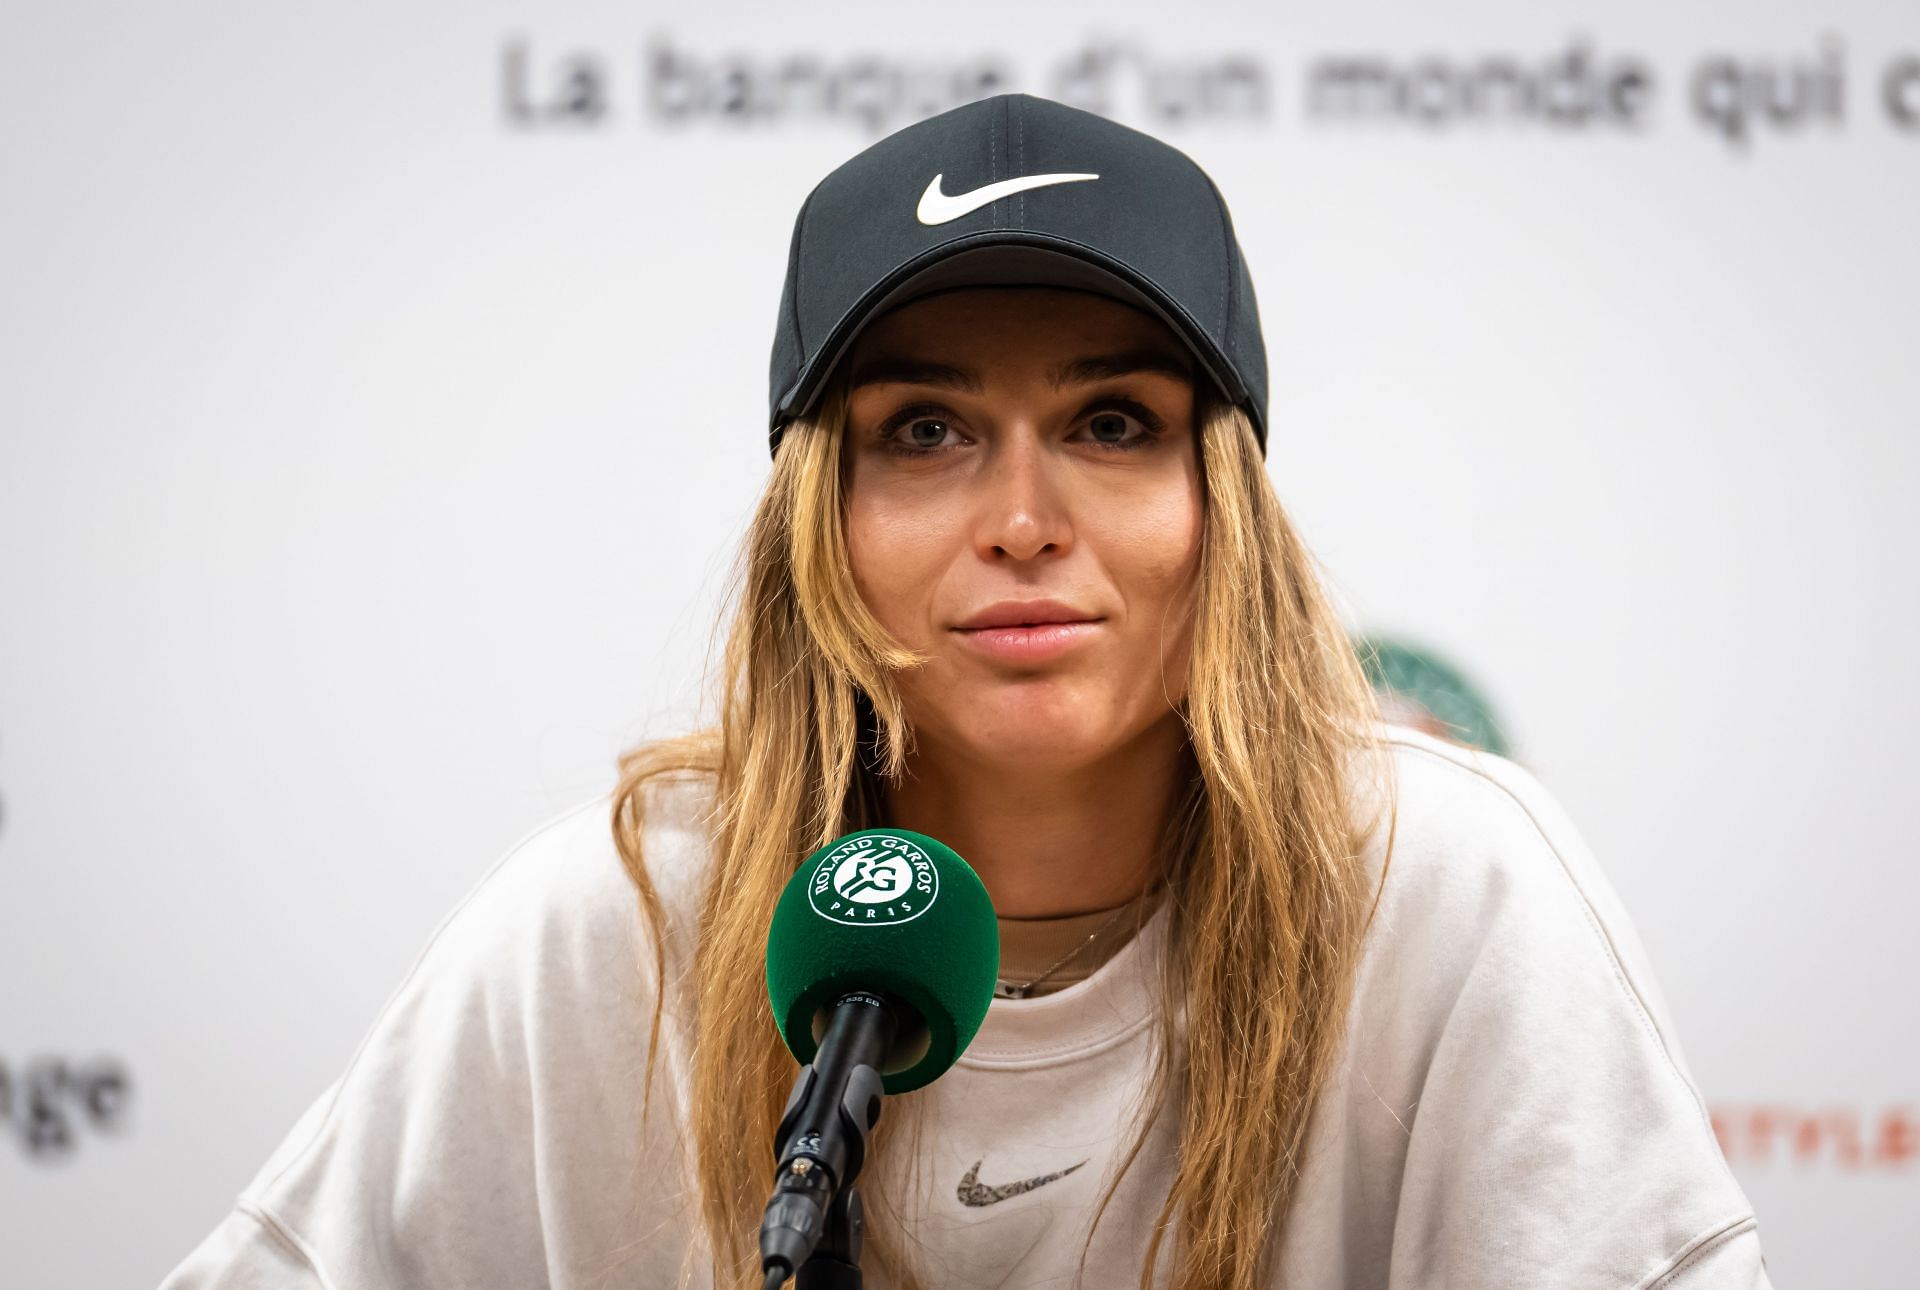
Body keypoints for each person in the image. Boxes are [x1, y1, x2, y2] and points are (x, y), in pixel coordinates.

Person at [160, 93, 1771, 1289]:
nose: (1021, 516)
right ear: (824, 521)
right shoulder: (626, 918)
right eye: (925, 430)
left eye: (1116, 422)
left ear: (1228, 511)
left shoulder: (1444, 887)